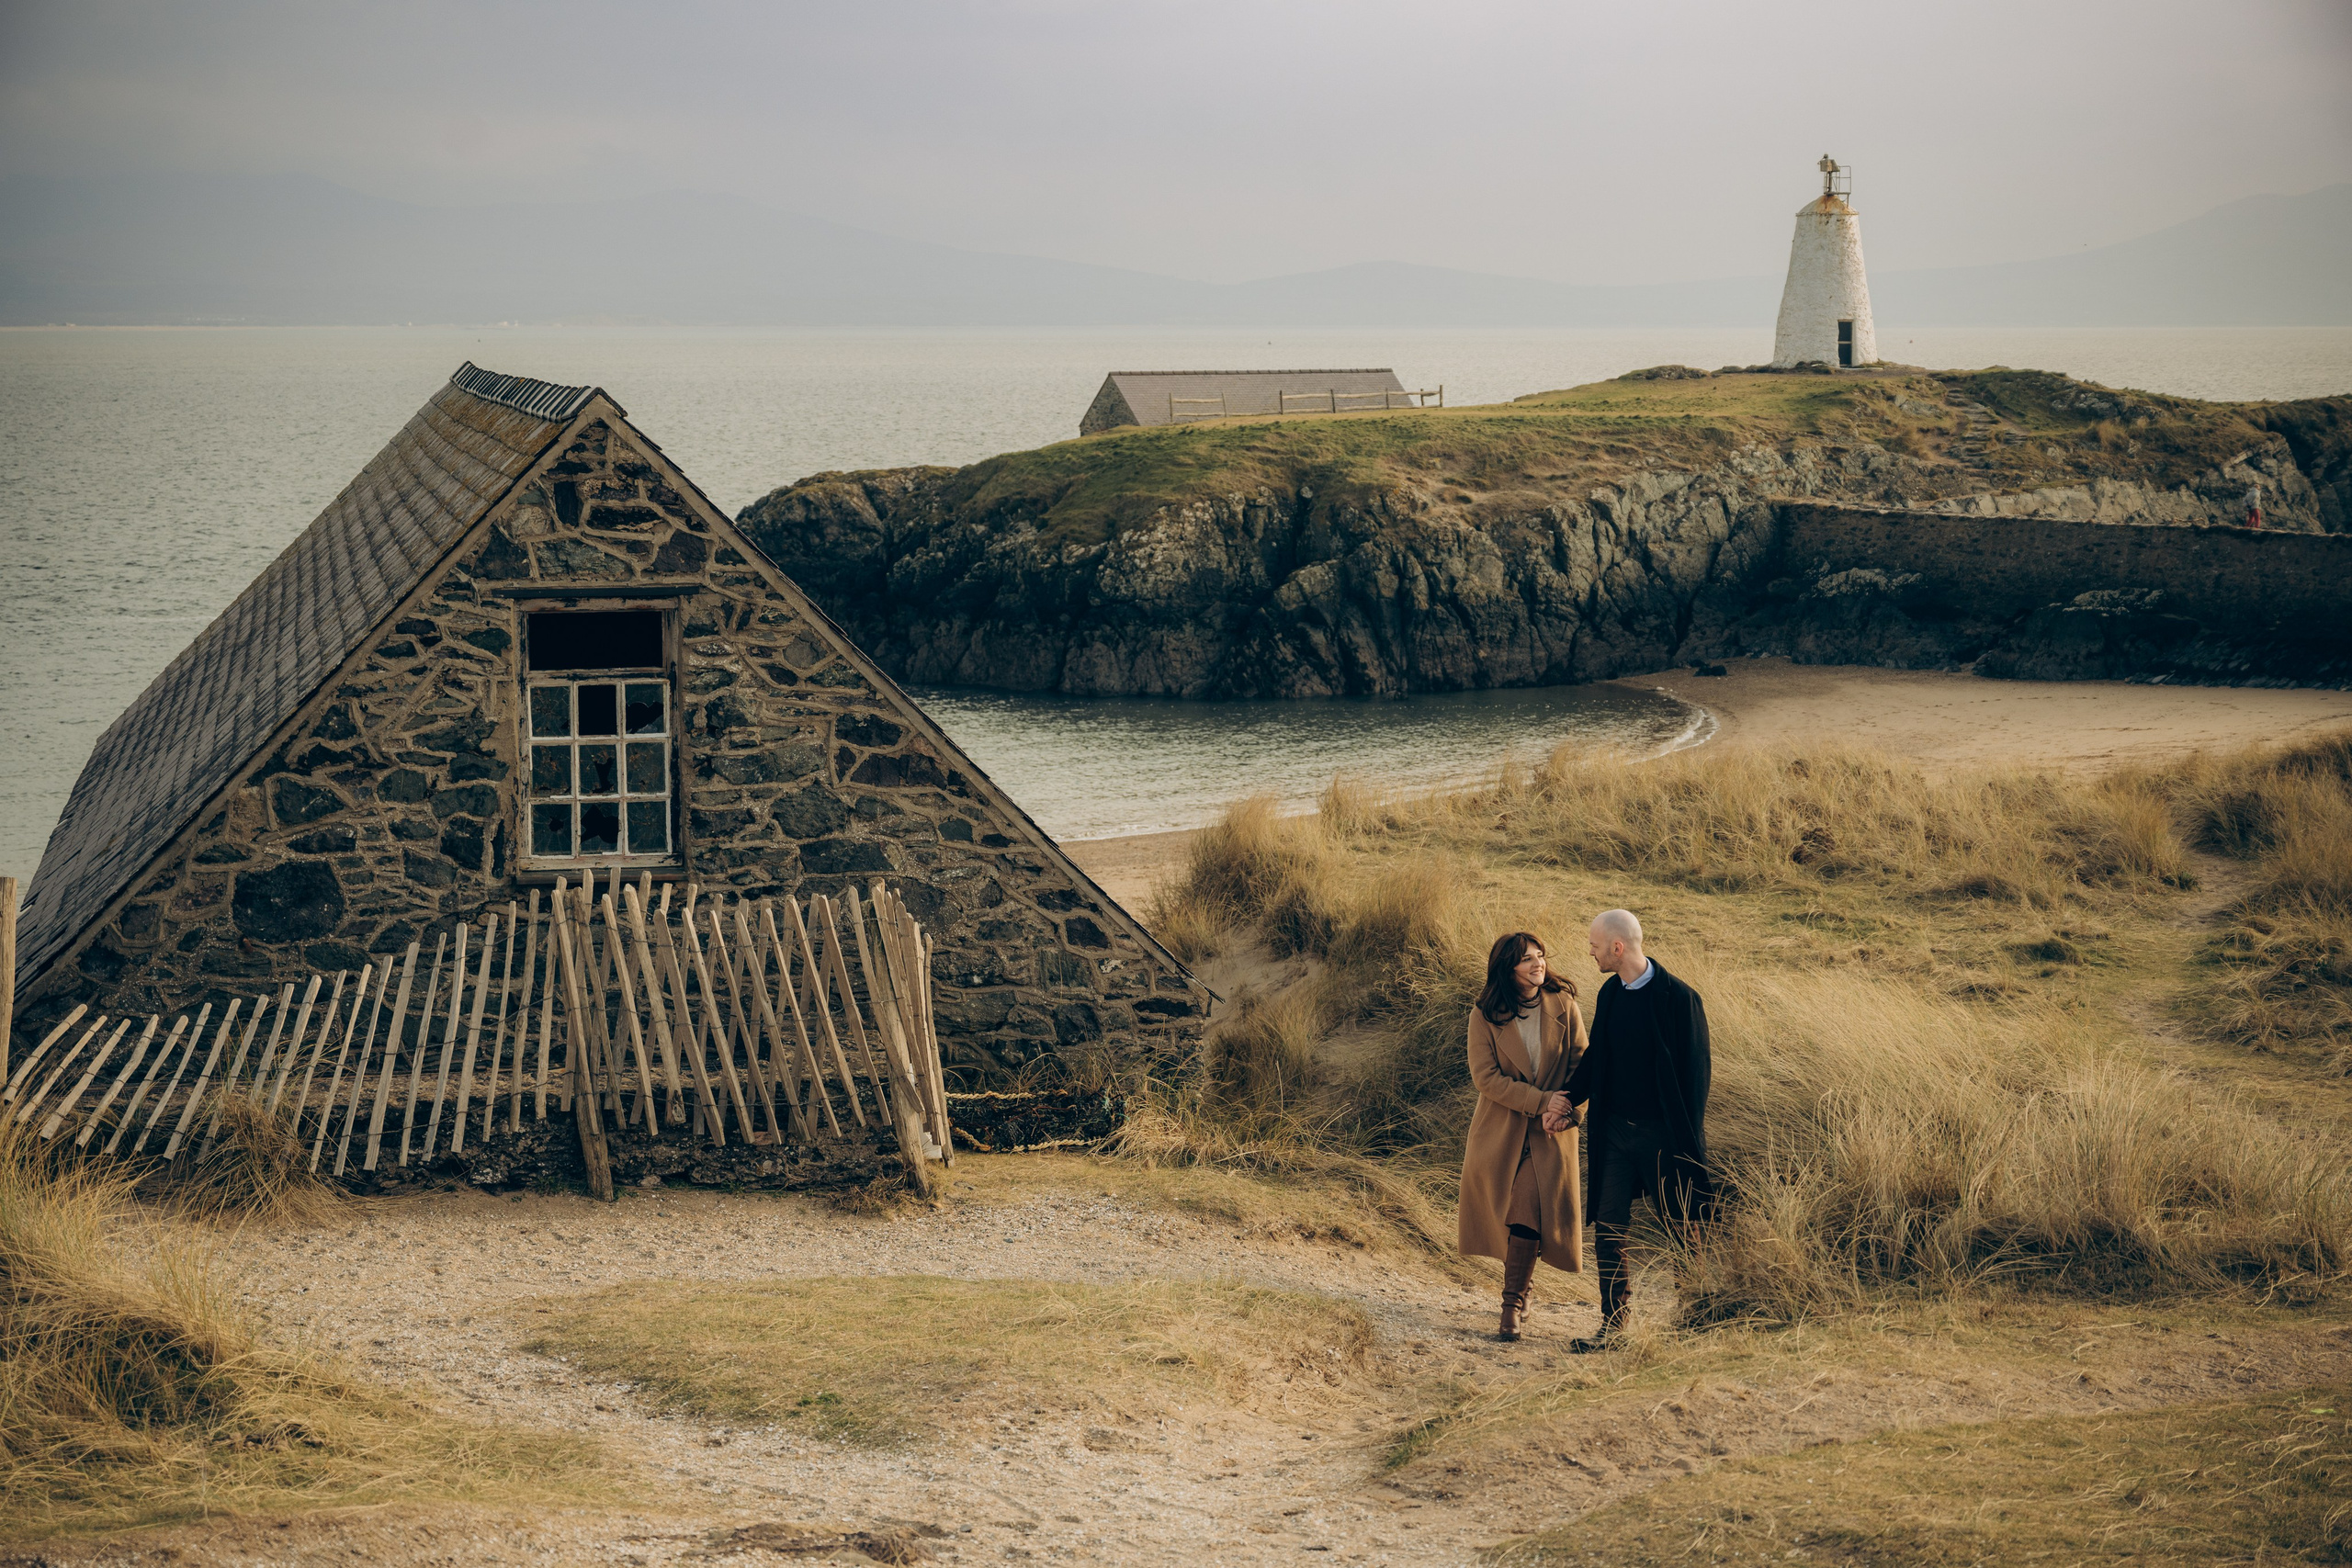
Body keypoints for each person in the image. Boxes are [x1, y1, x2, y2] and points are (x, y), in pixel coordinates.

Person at [1562, 908, 1713, 1352]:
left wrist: (1685, 1142)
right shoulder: (1610, 994)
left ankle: (1695, 1321)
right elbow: (1597, 1059)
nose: (1589, 951)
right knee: (1608, 1229)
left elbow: (1696, 1077)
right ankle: (1614, 1328)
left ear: (1617, 947)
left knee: (1681, 1228)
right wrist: (1568, 1099)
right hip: (1614, 1136)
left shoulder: (1679, 999)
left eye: (1594, 945)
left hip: (1663, 1138)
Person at [1459, 931, 1589, 1342]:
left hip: (1552, 1132)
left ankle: (1511, 1304)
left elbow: (1583, 1065)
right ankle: (1522, 1290)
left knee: (1527, 1205)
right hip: (1501, 1129)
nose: (1538, 964)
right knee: (1514, 1212)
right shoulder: (1484, 1014)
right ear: (1508, 969)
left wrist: (1569, 1111)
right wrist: (1542, 1100)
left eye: (1541, 955)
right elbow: (1486, 1078)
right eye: (1527, 959)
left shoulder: (1564, 1005)